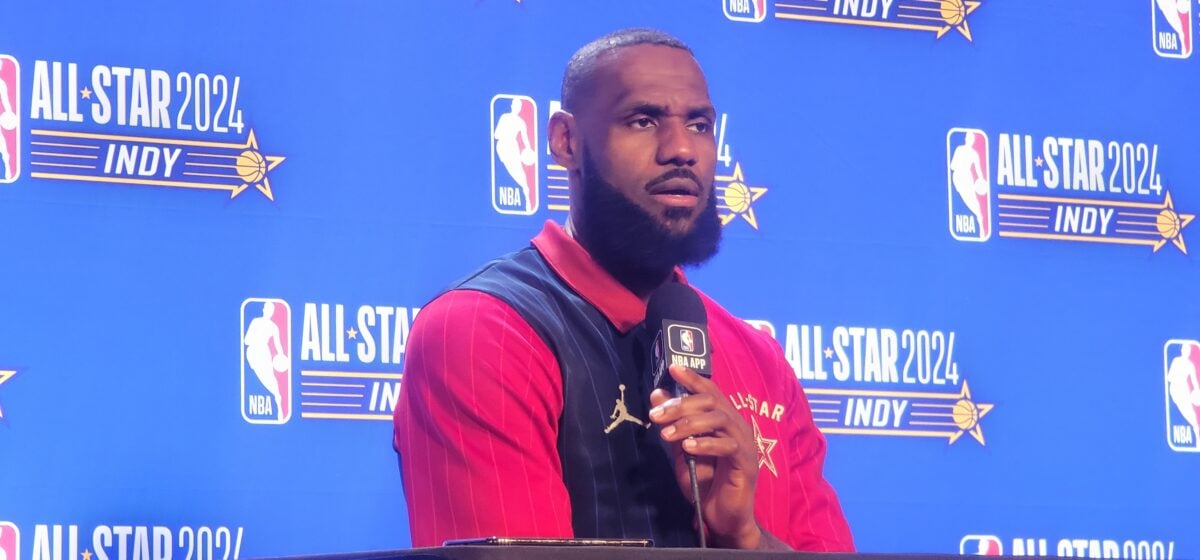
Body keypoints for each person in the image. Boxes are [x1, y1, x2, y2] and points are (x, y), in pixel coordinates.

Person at [393, 28, 854, 551]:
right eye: (643, 120)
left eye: (700, 125)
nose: (682, 150)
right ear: (567, 141)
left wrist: (744, 536)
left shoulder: (760, 358)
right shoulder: (482, 332)